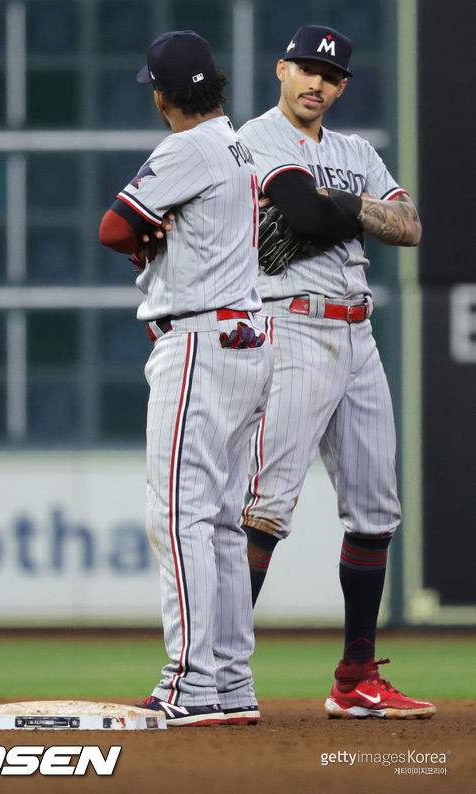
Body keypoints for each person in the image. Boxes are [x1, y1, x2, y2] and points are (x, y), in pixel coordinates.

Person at [238, 24, 436, 719]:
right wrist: (356, 213)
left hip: (358, 334)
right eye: (305, 69)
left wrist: (345, 207)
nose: (316, 83)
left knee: (377, 511)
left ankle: (356, 679)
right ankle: (213, 670)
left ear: (344, 86)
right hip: (290, 325)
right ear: (280, 69)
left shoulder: (356, 152)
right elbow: (299, 214)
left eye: (330, 75)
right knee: (264, 508)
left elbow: (410, 227)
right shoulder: (257, 137)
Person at [99, 30, 273, 726]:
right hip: (245, 339)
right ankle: (230, 684)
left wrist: (145, 232)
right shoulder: (237, 144)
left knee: (177, 518)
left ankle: (191, 683)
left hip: (200, 339)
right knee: (222, 524)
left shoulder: (186, 145)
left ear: (164, 97)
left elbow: (115, 227)